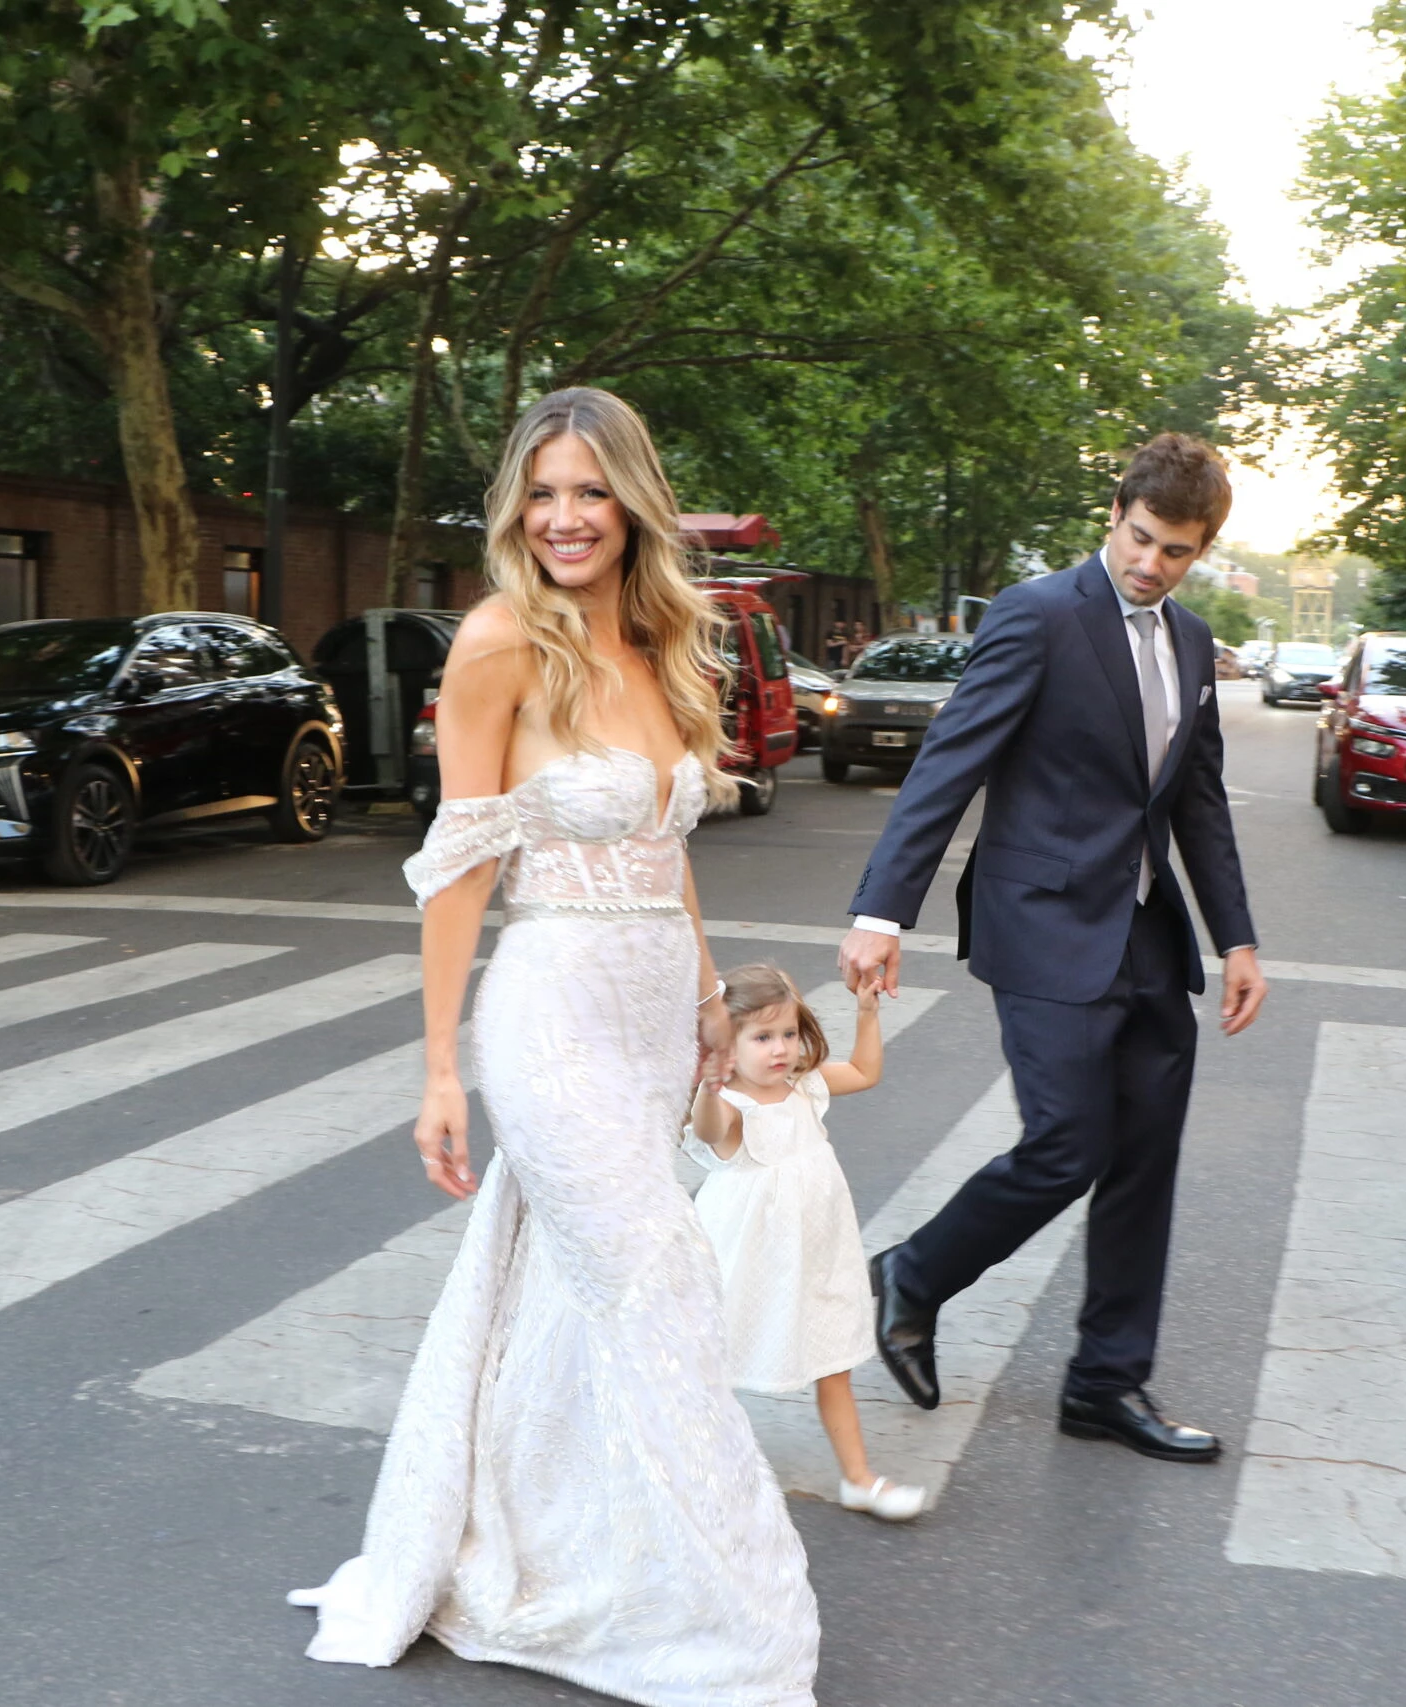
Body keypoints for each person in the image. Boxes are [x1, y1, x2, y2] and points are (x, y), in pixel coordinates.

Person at [287, 388, 818, 1706]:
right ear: (516, 510)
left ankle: (558, 1552)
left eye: (590, 490)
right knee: (663, 1281)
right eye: (542, 492)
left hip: (648, 1025)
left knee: (568, 1299)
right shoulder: (497, 640)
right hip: (549, 1011)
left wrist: (710, 1008)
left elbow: (672, 859)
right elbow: (461, 870)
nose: (566, 517)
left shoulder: (663, 640)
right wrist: (437, 1067)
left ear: (633, 501)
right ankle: (742, 1625)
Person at [838, 432, 1266, 1463]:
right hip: (1041, 926)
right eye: (1139, 538)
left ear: (1199, 551)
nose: (1149, 565)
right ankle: (915, 1275)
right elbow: (951, 764)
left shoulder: (1195, 644)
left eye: (1174, 551)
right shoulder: (1038, 616)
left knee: (1144, 1161)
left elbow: (1197, 801)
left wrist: (1238, 937)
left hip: (1148, 939)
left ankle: (1105, 1383)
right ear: (1112, 513)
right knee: (1067, 1144)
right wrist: (880, 910)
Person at [684, 963, 928, 1522]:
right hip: (747, 1257)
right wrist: (708, 1083)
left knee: (833, 1358)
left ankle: (860, 1479)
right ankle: (700, 1473)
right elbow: (708, 1131)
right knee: (715, 1363)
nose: (781, 1049)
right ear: (728, 1043)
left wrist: (867, 1013)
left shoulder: (804, 1086)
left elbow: (865, 1071)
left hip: (817, 1250)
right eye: (762, 1037)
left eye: (789, 1034)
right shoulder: (732, 1108)